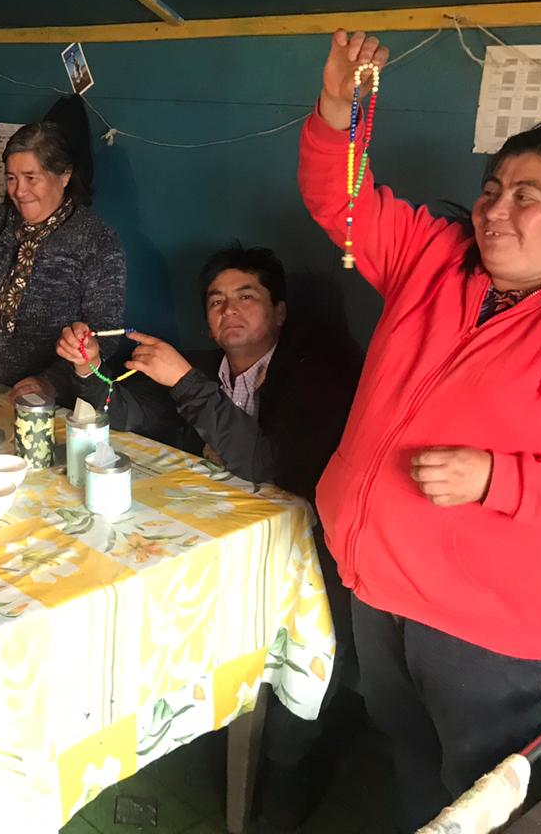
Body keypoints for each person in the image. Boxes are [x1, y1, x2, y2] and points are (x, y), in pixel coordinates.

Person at [300, 29, 541, 831]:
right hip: (378, 581)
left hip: (484, 623)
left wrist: (495, 478)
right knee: (408, 753)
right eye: (492, 187)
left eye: (526, 195)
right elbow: (341, 202)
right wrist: (338, 107)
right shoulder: (433, 258)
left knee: (476, 786)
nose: (496, 209)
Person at [58, 244, 361, 830]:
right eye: (217, 301)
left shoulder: (314, 373)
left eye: (247, 296)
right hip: (225, 543)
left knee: (296, 704)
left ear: (279, 313)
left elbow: (265, 462)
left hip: (309, 558)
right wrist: (87, 371)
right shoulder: (206, 367)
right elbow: (126, 411)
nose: (229, 310)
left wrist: (185, 380)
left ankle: (289, 768)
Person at [0, 121, 126, 393]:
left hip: (43, 402)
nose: (19, 191)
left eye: (30, 178)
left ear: (64, 176)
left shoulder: (95, 241)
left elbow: (104, 335)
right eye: (12, 178)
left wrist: (50, 382)